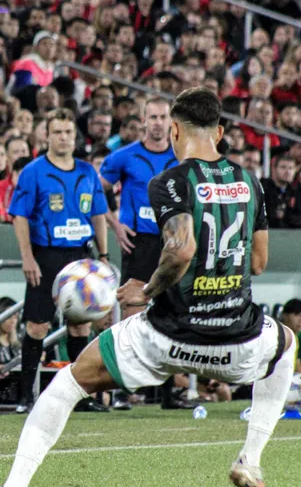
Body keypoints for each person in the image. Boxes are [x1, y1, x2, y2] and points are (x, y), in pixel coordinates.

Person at [0, 88, 295, 487]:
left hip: (166, 338)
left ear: (173, 130)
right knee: (286, 343)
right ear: (219, 133)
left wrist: (147, 290)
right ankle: (250, 460)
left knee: (67, 385)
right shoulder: (251, 182)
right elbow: (257, 263)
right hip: (238, 341)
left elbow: (182, 248)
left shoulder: (169, 181)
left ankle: (15, 484)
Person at [8, 108, 109, 414]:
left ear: (75, 137)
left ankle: (81, 396)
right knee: (37, 327)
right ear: (47, 135)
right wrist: (28, 257)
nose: (64, 138)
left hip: (80, 256)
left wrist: (103, 257)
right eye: (58, 132)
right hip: (46, 256)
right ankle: (26, 397)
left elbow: (98, 215)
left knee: (80, 328)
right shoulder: (34, 171)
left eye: (68, 132)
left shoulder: (88, 172)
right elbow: (19, 217)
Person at [99, 96, 195, 410]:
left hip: (172, 243)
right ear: (142, 120)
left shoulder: (182, 157)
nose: (157, 122)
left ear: (171, 121)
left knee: (173, 312)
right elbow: (100, 188)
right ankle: (126, 388)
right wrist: (115, 224)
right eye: (151, 117)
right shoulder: (124, 157)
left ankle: (170, 392)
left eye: (162, 117)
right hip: (139, 242)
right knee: (132, 312)